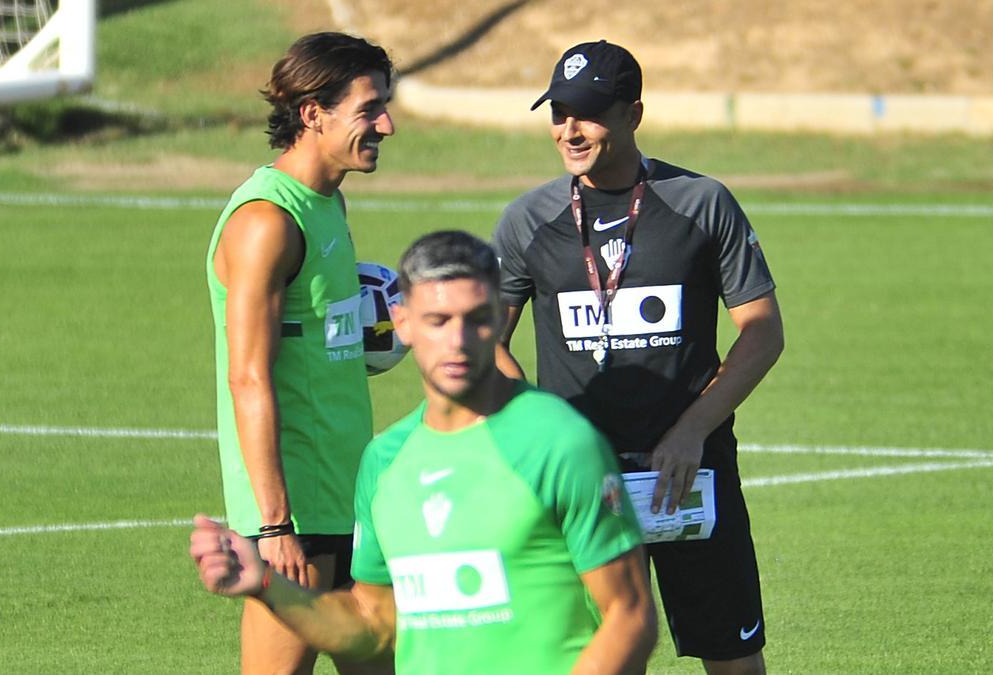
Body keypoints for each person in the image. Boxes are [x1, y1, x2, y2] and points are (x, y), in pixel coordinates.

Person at [191, 231, 658, 674]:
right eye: (438, 321)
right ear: (402, 324)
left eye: (476, 320)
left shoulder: (559, 442)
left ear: (498, 318)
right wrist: (267, 585)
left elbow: (630, 615)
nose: (457, 342)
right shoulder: (385, 460)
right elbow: (372, 624)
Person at [492, 40, 784, 675]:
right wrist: (545, 432)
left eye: (589, 112)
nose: (570, 129)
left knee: (734, 657)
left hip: (688, 474)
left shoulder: (701, 203)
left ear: (634, 114)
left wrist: (690, 432)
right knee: (596, 659)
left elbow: (762, 333)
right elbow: (485, 341)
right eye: (559, 112)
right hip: (580, 485)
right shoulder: (527, 221)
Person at [205, 32, 396, 674]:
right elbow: (248, 377)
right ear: (314, 113)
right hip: (297, 510)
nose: (386, 125)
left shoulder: (328, 202)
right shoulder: (266, 221)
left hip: (349, 488)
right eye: (370, 109)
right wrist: (274, 523)